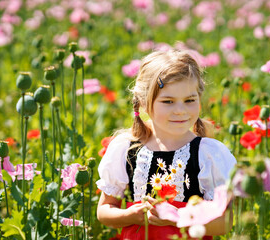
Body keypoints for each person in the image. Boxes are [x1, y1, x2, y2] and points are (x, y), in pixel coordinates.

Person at [96, 49, 236, 240]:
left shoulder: (208, 154)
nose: (180, 110)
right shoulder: (127, 149)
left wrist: (177, 218)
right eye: (168, 101)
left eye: (189, 100)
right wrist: (130, 216)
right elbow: (104, 211)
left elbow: (224, 223)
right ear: (144, 103)